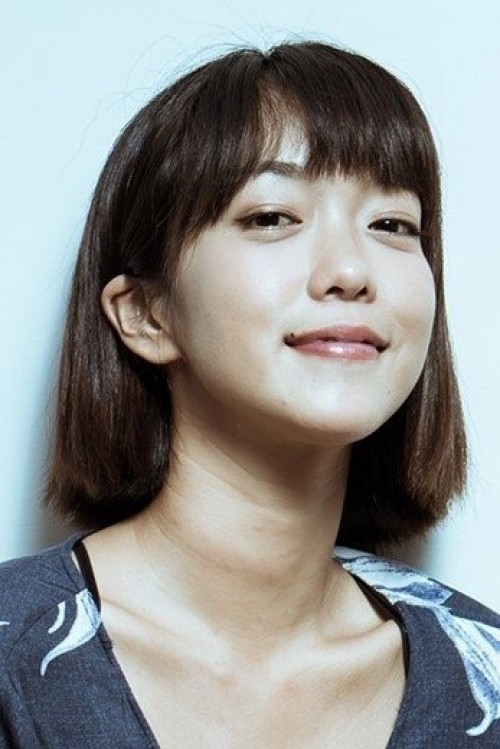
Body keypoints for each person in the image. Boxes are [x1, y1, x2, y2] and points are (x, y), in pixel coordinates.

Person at [0, 40, 498, 748]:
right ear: (147, 314)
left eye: (392, 224)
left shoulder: (484, 673)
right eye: (272, 217)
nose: (351, 270)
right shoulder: (13, 656)